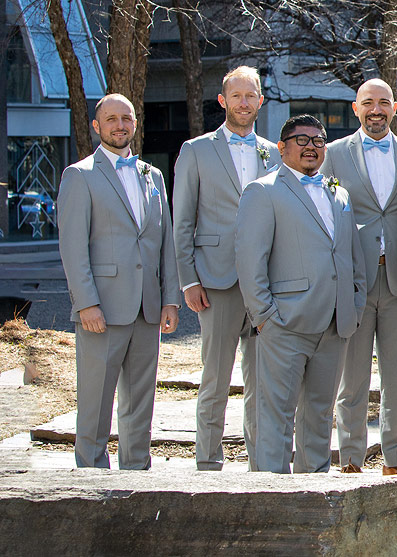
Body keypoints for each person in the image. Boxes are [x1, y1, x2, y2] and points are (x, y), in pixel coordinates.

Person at [235, 115, 367, 473]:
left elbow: (351, 255)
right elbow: (250, 261)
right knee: (275, 418)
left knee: (321, 417)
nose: (311, 147)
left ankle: (315, 498)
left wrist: (354, 306)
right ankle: (273, 499)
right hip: (285, 324)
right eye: (302, 139)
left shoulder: (338, 193)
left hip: (335, 325)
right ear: (281, 147)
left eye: (318, 140)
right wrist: (265, 318)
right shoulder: (263, 191)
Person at [58, 93, 180, 469]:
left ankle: (136, 477)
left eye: (126, 118)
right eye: (111, 119)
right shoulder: (79, 176)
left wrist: (170, 299)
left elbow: (164, 241)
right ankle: (91, 481)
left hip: (147, 309)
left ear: (135, 123)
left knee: (140, 402)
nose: (119, 125)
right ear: (97, 127)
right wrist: (86, 302)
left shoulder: (153, 175)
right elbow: (73, 247)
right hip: (103, 309)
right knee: (95, 402)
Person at [173, 66, 280, 471]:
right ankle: (208, 463)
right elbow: (182, 220)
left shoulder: (274, 153)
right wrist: (188, 279)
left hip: (264, 284)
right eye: (236, 96)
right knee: (214, 380)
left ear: (260, 100)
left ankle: (261, 466)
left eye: (250, 95)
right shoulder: (196, 150)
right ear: (223, 101)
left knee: (262, 383)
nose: (243, 102)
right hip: (213, 281)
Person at [320, 79, 397, 488]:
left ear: (395, 107)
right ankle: (351, 459)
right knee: (353, 374)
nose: (376, 109)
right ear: (356, 107)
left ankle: (396, 461)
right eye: (368, 103)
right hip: (353, 277)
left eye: (383, 103)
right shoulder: (333, 154)